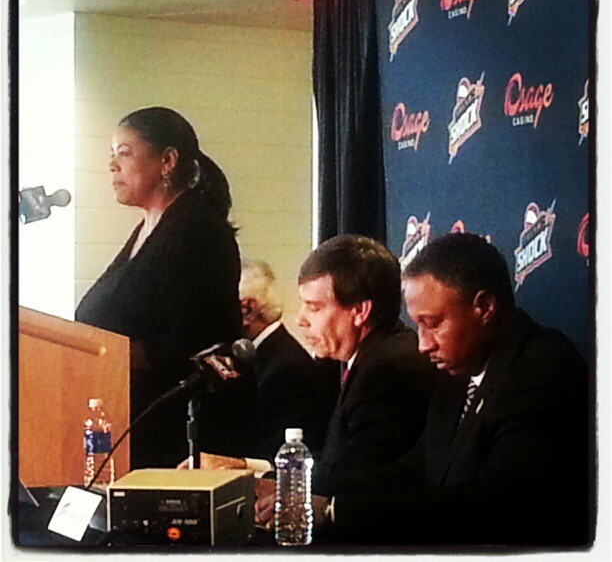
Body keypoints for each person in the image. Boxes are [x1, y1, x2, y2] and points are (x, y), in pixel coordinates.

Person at [262, 233, 589, 546]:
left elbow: (495, 503)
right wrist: (302, 494)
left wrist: (335, 512)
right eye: (417, 324)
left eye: (432, 323)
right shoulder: (457, 371)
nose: (421, 344)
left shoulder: (542, 367)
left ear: (485, 307)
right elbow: (416, 469)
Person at [192, 235, 437, 494]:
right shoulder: (369, 358)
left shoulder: (388, 369)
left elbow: (353, 478)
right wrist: (245, 467)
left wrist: (259, 481)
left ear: (359, 312)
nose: (300, 319)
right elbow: (335, 464)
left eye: (314, 307)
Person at [75, 106, 243, 469]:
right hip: (127, 422)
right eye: (111, 155)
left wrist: (110, 354)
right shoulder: (150, 227)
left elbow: (194, 342)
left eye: (124, 153)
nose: (112, 166)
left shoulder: (196, 231)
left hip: (172, 438)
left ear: (167, 161)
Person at [239, 258, 335, 459]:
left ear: (247, 309)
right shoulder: (267, 357)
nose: (300, 319)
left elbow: (276, 460)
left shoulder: (286, 369)